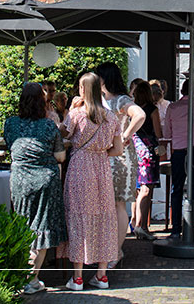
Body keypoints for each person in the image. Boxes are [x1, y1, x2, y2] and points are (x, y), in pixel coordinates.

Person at [60, 72, 124, 291]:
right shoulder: (112, 117)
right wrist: (99, 153)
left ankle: (77, 278)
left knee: (79, 217)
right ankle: (102, 275)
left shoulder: (77, 114)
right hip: (102, 169)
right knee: (104, 218)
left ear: (83, 89)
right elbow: (118, 149)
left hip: (79, 167)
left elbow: (61, 135)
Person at [4, 83, 68, 296]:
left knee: (22, 225)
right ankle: (31, 278)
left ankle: (22, 274)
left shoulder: (10, 124)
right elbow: (60, 157)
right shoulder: (49, 126)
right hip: (44, 179)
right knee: (41, 226)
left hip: (20, 179)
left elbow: (11, 147)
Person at [94, 62, 146, 262]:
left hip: (120, 159)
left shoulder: (120, 101)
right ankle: (112, 248)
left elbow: (139, 115)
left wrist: (125, 135)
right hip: (108, 157)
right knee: (110, 205)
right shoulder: (103, 100)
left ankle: (115, 251)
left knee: (118, 204)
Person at [161, 78, 194, 238]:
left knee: (176, 188)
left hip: (179, 151)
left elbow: (167, 134)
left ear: (182, 90)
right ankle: (192, 225)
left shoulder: (173, 107)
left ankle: (176, 228)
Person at [130, 79, 162, 240]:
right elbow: (158, 132)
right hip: (148, 151)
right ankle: (141, 225)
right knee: (146, 188)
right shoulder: (152, 110)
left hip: (135, 149)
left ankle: (138, 223)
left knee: (140, 188)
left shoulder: (132, 110)